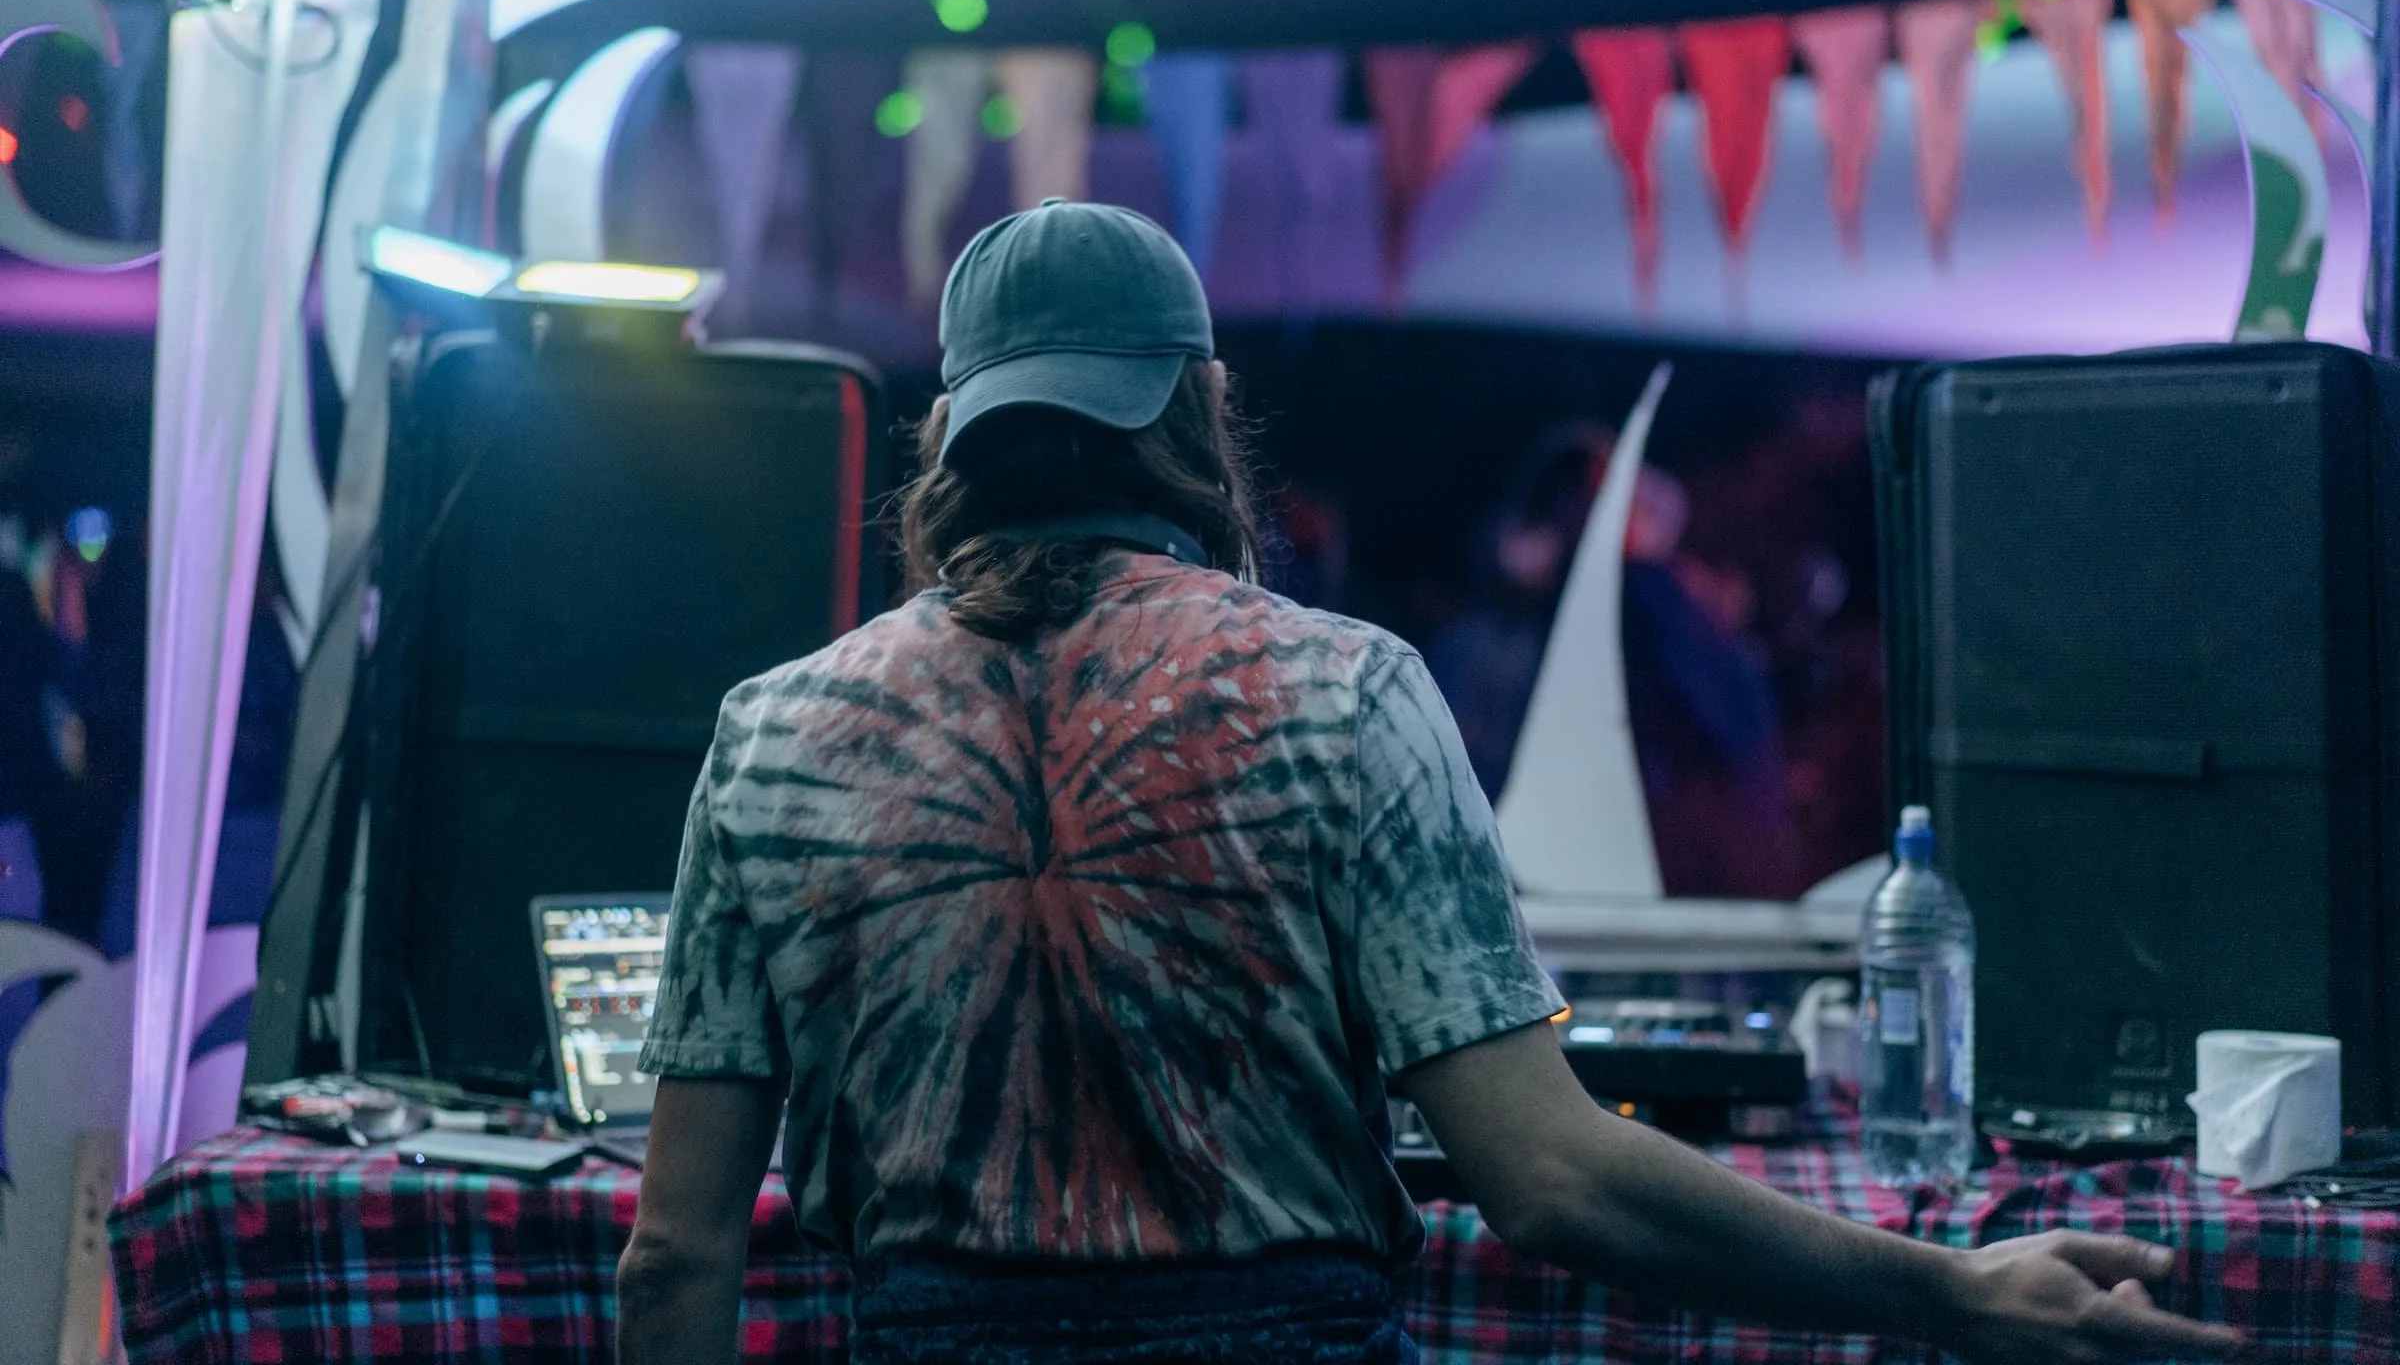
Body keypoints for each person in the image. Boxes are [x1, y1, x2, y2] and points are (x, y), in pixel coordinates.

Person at [617, 200, 2239, 1365]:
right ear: (1195, 412)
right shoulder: (1344, 690)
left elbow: (678, 1251)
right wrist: (1954, 1289)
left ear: (957, 436)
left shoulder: (773, 731)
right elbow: (1549, 1178)